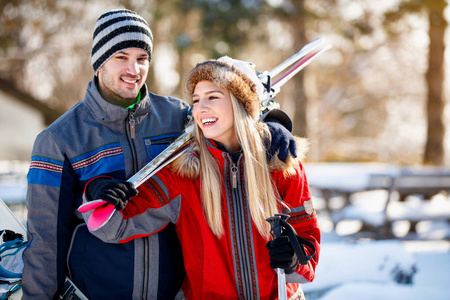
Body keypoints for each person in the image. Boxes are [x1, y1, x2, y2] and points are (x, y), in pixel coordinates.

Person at [22, 9, 298, 300]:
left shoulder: (176, 117)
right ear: (100, 61)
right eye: (121, 57)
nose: (134, 69)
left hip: (173, 292)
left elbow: (230, 124)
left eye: (142, 59)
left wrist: (270, 126)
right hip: (97, 292)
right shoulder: (59, 138)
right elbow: (45, 239)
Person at [81, 56, 321, 299]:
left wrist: (294, 260)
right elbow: (113, 225)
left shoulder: (281, 164)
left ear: (240, 104)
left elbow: (308, 247)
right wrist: (97, 191)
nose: (200, 108)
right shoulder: (184, 172)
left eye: (212, 97)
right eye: (196, 100)